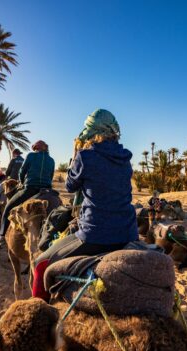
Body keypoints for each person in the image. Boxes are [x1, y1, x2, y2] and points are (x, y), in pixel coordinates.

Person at [32, 109, 137, 300]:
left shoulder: (85, 156)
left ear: (91, 132)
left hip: (95, 233)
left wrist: (75, 156)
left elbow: (70, 186)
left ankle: (39, 312)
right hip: (128, 232)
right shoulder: (125, 159)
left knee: (40, 264)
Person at [0, 140, 55, 244]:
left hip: (30, 189)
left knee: (8, 209)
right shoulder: (51, 160)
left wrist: (22, 183)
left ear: (36, 148)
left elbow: (22, 172)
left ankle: (1, 236)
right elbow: (51, 176)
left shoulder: (31, 156)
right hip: (47, 190)